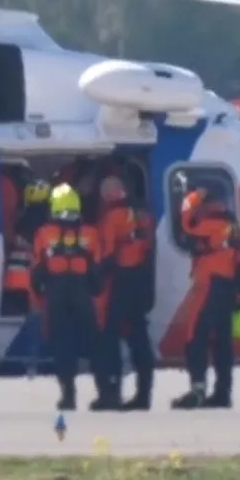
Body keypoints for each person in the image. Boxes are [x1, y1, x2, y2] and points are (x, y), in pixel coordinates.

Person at [30, 183, 107, 411]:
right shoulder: (91, 233)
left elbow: (37, 269)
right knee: (95, 344)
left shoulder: (44, 233)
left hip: (57, 293)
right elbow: (98, 270)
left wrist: (39, 295)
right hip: (83, 293)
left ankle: (68, 396)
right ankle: (105, 393)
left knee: (61, 345)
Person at [172, 185, 240, 409]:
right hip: (228, 287)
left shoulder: (208, 226)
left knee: (195, 335)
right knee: (222, 341)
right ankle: (222, 393)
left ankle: (197, 390)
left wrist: (194, 196)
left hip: (210, 285)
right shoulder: (236, 229)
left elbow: (184, 225)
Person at [95, 175, 157, 411]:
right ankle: (144, 395)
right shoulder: (143, 215)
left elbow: (109, 255)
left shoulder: (112, 218)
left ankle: (111, 394)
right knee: (139, 338)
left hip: (122, 281)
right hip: (142, 280)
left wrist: (95, 279)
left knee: (109, 337)